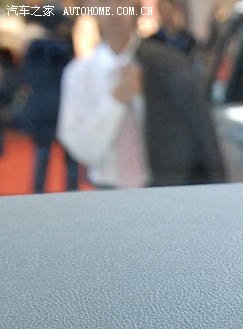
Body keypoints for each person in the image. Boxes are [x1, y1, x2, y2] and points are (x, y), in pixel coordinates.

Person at [57, 2, 223, 188]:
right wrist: (116, 101)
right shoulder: (79, 74)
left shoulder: (168, 64)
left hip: (165, 186)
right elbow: (80, 146)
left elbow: (200, 132)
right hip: (106, 188)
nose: (115, 9)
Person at [21, 12, 79, 193]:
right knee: (70, 160)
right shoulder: (65, 49)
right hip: (64, 107)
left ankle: (37, 196)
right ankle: (72, 195)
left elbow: (26, 76)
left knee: (42, 154)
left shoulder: (33, 49)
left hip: (40, 107)